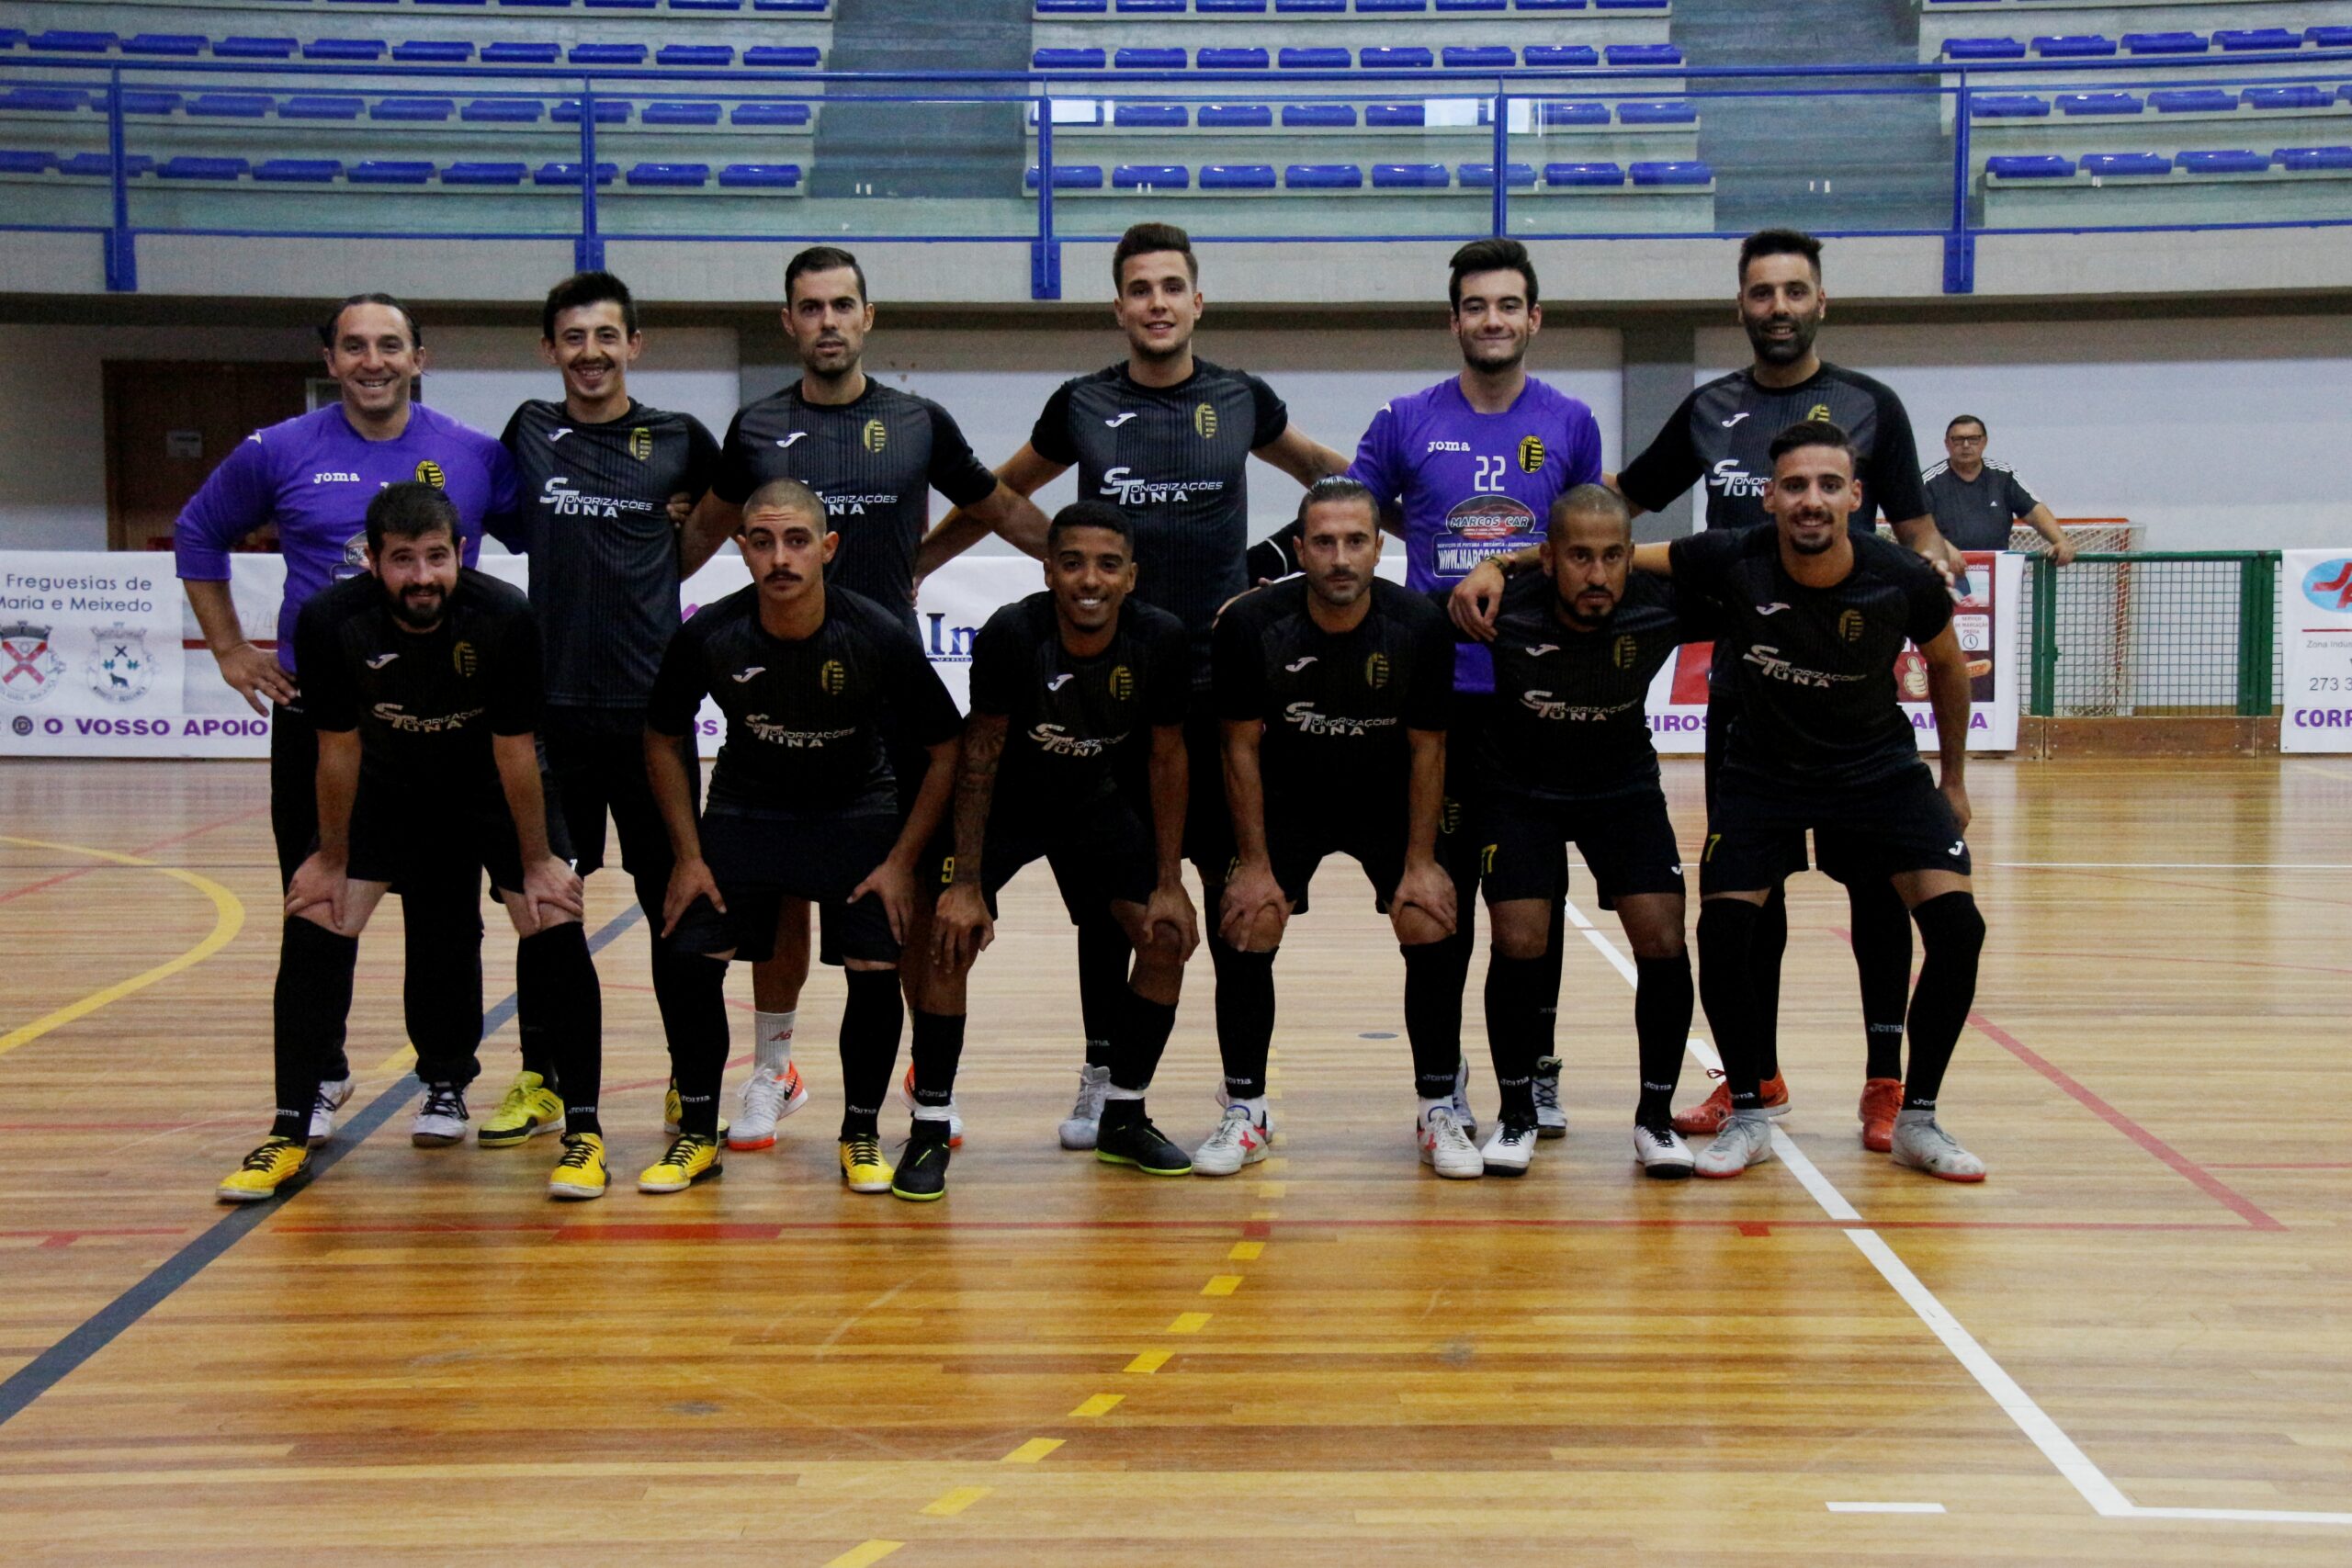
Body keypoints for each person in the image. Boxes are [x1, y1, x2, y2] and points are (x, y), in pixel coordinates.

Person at [1451, 228, 1958, 1157]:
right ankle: (1751, 1078)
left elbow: (1918, 529)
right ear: (1741, 305)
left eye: (1794, 291)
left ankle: (1886, 1080)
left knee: (1879, 890)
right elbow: (1620, 503)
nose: (1778, 307)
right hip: (1745, 697)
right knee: (1743, 904)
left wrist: (1930, 563)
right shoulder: (1709, 409)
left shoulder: (1871, 406)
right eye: (1762, 292)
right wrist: (1530, 555)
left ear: (1820, 301)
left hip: (1848, 702)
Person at [919, 221, 1349, 1154]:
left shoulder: (1241, 399)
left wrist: (1282, 559)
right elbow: (996, 494)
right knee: (1109, 900)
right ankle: (1103, 1080)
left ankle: (1245, 1098)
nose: (1157, 303)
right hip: (1108, 697)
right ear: (1119, 307)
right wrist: (926, 561)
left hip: (1217, 690)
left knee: (1232, 899)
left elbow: (1333, 477)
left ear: (1198, 301)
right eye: (1140, 289)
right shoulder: (1081, 403)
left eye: (1171, 287)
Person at [682, 245, 1050, 1150]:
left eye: (842, 305)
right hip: (783, 701)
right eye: (810, 308)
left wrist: (1090, 568)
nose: (828, 322)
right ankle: (774, 1071)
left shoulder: (917, 421)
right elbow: (698, 537)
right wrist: (631, 575)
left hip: (888, 701)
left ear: (868, 316)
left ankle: (926, 1074)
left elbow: (999, 506)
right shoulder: (757, 426)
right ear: (788, 322)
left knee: (906, 894)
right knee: (780, 898)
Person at [177, 294, 517, 1148]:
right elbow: (197, 532)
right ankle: (319, 1073)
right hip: (322, 717)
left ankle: (446, 1079)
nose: (373, 361)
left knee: (446, 912)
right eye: (355, 347)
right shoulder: (277, 450)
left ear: (418, 358)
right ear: (330, 361)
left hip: (442, 724)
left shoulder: (474, 454)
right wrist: (230, 649)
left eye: (390, 345)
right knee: (317, 898)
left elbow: (547, 531)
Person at [216, 484, 606, 1203]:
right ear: (372, 560)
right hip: (387, 784)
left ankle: (585, 1133)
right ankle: (287, 1131)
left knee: (552, 916)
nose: (421, 576)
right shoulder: (331, 619)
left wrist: (536, 861)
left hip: (491, 784)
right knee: (315, 914)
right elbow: (337, 750)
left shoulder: (504, 615)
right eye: (402, 559)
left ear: (460, 553)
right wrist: (331, 859)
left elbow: (516, 749)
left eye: (435, 557)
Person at [1632, 422, 1987, 1182]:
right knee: (1724, 930)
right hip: (1765, 772)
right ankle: (1750, 1110)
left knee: (1959, 929)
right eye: (1795, 485)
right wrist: (1507, 560)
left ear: (1857, 496)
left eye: (1829, 485)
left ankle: (1917, 1117)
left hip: (1878, 770)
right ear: (1770, 497)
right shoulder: (1735, 556)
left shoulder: (1902, 577)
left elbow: (1949, 667)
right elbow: (1609, 553)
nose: (1811, 500)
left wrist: (1953, 779)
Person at [641, 478, 961, 1197]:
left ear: (828, 547)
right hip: (747, 809)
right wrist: (688, 856)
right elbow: (661, 735)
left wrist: (901, 861)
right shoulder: (711, 633)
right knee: (690, 957)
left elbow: (946, 747)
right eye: (762, 542)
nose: (780, 558)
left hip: (855, 811)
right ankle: (699, 1134)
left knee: (874, 966)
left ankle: (859, 1133)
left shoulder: (875, 631)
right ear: (742, 548)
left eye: (796, 541)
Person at [487, 269, 726, 1148]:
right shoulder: (529, 429)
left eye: (606, 336)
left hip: (651, 717)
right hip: (551, 715)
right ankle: (542, 1077)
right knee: (546, 901)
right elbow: (501, 518)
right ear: (550, 348)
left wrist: (680, 535)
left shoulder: (680, 437)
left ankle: (687, 1079)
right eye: (574, 337)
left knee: (677, 904)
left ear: (634, 344)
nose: (591, 352)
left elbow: (729, 509)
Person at [924, 501, 1202, 1196]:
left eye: (1108, 565)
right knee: (946, 937)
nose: (1090, 579)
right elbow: (980, 753)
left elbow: (1168, 756)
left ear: (1130, 577)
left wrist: (1170, 879)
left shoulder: (1160, 638)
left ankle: (1124, 1114)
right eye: (1073, 563)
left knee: (1165, 936)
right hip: (1009, 803)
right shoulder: (1013, 633)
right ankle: (929, 1126)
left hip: (1095, 802)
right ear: (1048, 570)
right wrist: (964, 882)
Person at [1207, 478, 1462, 1177]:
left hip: (1385, 797)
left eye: (1355, 541)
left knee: (1428, 917)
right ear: (1299, 550)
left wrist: (1421, 863)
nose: (1340, 558)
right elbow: (1238, 747)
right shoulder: (1251, 624)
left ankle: (1438, 1105)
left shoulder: (1420, 625)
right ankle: (1246, 1109)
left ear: (1379, 547)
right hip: (1288, 796)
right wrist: (1254, 864)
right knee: (1248, 920)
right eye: (1324, 542)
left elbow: (1429, 748)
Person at [1455, 485, 1711, 1177]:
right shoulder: (1504, 606)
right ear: (1548, 558)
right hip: (1519, 793)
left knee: (1663, 938)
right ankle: (1516, 1114)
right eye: (1579, 557)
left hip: (1622, 791)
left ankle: (1655, 1120)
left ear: (1631, 556)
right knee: (1518, 939)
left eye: (1611, 556)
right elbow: (1388, 616)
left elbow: (1749, 567)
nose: (1597, 574)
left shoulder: (1662, 605)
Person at [1922, 415, 2076, 561]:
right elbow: (1918, 528)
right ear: (1947, 443)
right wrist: (1944, 549)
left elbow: (2034, 511)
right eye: (1958, 439)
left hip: (1998, 570)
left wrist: (2061, 541)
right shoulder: (1928, 482)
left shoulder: (2004, 475)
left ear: (1984, 442)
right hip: (1944, 569)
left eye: (1974, 439)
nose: (1966, 445)